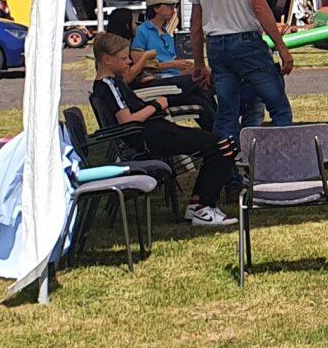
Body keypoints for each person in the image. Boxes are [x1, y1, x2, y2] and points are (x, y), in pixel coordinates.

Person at [90, 33, 236, 227]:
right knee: (222, 145)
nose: (129, 62)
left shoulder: (111, 84)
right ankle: (203, 207)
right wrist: (157, 105)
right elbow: (127, 121)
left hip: (153, 133)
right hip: (150, 138)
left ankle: (198, 204)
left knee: (217, 142)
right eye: (124, 58)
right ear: (107, 60)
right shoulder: (109, 86)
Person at [193, 0, 295, 142]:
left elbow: (196, 24)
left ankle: (224, 159)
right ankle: (281, 155)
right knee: (277, 105)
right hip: (246, 41)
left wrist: (199, 63)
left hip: (216, 44)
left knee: (227, 110)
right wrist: (281, 47)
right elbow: (260, 8)